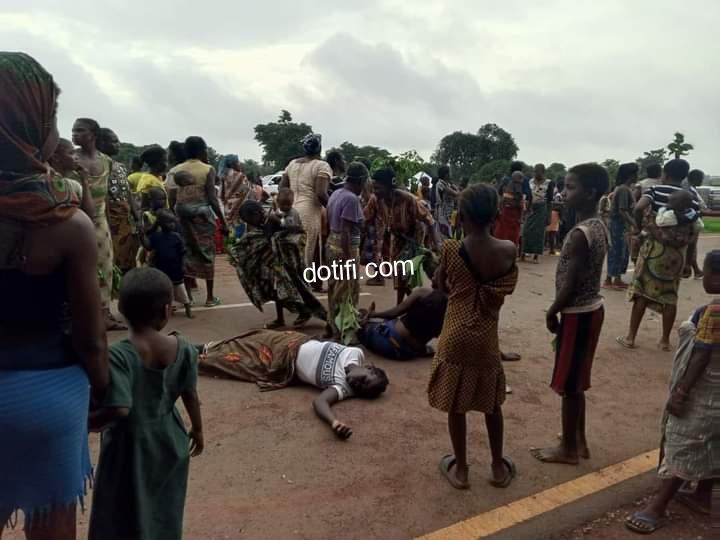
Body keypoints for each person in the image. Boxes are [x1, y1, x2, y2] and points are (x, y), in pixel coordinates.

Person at [0, 51, 108, 540]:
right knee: (53, 527)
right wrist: (106, 391)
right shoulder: (68, 222)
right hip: (46, 393)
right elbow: (90, 338)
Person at [88, 268, 203, 540]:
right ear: (167, 310)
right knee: (164, 508)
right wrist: (198, 430)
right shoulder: (184, 348)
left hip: (128, 446)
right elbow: (190, 394)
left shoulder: (119, 355)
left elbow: (119, 408)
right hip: (170, 441)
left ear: (121, 309)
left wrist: (86, 424)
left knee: (119, 512)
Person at [427, 183, 518, 490]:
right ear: (495, 215)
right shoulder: (508, 250)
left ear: (461, 216)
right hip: (485, 338)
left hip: (454, 334)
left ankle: (463, 470)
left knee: (456, 405)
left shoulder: (451, 249)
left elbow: (440, 285)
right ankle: (497, 467)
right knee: (492, 405)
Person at [625, 251, 719, 535]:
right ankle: (702, 496)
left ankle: (657, 508)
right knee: (714, 442)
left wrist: (681, 391)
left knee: (685, 440)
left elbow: (701, 354)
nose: (703, 277)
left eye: (707, 273)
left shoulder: (714, 311)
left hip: (706, 391)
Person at [531, 163, 609, 466]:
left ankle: (568, 450)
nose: (563, 193)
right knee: (576, 381)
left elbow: (571, 283)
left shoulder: (580, 234)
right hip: (590, 310)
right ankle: (578, 439)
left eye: (570, 187)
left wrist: (553, 311)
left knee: (570, 385)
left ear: (590, 193)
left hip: (578, 313)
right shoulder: (598, 225)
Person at [197, 330, 389, 439]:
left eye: (361, 389)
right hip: (291, 340)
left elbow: (320, 402)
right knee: (244, 340)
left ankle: (190, 355)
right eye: (364, 380)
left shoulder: (344, 388)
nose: (356, 384)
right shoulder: (355, 353)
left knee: (233, 361)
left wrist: (334, 423)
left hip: (281, 363)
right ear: (369, 368)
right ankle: (202, 347)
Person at [619, 159, 696, 351]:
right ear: (684, 176)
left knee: (641, 293)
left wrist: (638, 228)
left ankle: (631, 337)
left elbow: (638, 208)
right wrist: (689, 262)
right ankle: (664, 340)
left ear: (665, 174)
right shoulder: (691, 197)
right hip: (676, 255)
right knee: (670, 296)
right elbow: (694, 231)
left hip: (653, 250)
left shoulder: (655, 190)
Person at [232, 200, 327, 328]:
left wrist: (276, 239)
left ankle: (316, 315)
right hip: (275, 264)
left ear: (256, 213)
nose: (251, 224)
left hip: (287, 262)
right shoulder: (261, 221)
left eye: (250, 220)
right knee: (276, 290)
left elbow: (291, 232)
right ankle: (281, 319)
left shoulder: (272, 219)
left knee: (296, 289)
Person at [72, 117, 126, 330]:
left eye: (80, 131)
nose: (75, 134)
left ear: (93, 135)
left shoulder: (107, 161)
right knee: (81, 268)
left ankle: (104, 313)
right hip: (76, 220)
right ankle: (85, 315)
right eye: (73, 131)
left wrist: (112, 224)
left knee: (105, 266)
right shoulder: (70, 160)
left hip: (100, 221)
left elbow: (108, 197)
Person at [174, 136, 229, 307]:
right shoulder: (207, 169)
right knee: (207, 254)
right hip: (203, 220)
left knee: (187, 254)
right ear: (202, 150)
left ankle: (188, 297)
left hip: (182, 219)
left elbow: (172, 198)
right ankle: (210, 297)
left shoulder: (176, 170)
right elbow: (212, 198)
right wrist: (223, 221)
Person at [371, 168, 440, 305]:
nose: (375, 191)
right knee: (399, 274)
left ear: (389, 187)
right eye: (374, 188)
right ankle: (409, 305)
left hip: (413, 237)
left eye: (378, 188)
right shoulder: (377, 200)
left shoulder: (407, 199)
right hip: (397, 237)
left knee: (405, 273)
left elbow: (429, 220)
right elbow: (365, 217)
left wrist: (436, 245)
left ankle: (408, 305)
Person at [324, 162, 367, 344]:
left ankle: (331, 324)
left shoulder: (336, 194)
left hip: (331, 244)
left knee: (334, 288)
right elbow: (346, 231)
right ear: (361, 181)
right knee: (347, 291)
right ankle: (343, 332)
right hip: (344, 248)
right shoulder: (351, 199)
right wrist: (349, 258)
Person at [281, 133, 332, 268]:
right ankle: (304, 279)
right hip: (309, 212)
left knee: (291, 250)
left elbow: (282, 188)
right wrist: (332, 209)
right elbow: (321, 194)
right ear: (319, 149)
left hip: (290, 210)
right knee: (306, 252)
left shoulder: (292, 164)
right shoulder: (322, 166)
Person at [96, 127, 141, 275]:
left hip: (124, 219)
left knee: (127, 255)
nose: (118, 144)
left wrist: (136, 215)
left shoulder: (120, 167)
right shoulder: (97, 166)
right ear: (101, 143)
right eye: (114, 141)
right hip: (108, 218)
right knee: (111, 255)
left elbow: (128, 192)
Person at [141, 210, 193, 318]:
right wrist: (141, 237)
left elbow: (183, 252)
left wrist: (183, 265)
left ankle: (188, 309)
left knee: (181, 290)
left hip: (175, 270)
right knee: (163, 291)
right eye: (169, 222)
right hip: (161, 270)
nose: (172, 225)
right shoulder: (156, 236)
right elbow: (148, 247)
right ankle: (164, 310)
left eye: (172, 222)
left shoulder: (176, 237)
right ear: (161, 223)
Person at [605, 163, 638, 290]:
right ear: (630, 175)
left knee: (619, 251)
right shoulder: (624, 189)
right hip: (618, 224)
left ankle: (614, 278)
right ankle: (611, 279)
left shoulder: (623, 188)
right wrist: (634, 223)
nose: (637, 176)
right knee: (617, 251)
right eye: (635, 174)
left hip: (618, 224)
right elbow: (622, 210)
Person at [48, 138, 95, 217]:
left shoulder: (74, 185)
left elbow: (89, 214)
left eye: (75, 153)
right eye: (71, 153)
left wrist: (85, 181)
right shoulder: (47, 183)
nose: (76, 157)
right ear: (56, 158)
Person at [521, 163, 553, 263]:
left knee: (539, 233)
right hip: (531, 208)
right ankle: (523, 254)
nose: (536, 174)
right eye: (535, 171)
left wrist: (549, 216)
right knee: (526, 231)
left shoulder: (549, 183)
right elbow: (527, 197)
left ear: (543, 172)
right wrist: (525, 211)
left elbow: (550, 201)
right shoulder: (530, 181)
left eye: (538, 172)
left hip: (542, 208)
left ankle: (536, 256)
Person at [218, 154, 250, 238]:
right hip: (240, 210)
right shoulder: (241, 176)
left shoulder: (223, 177)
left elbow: (220, 195)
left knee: (231, 235)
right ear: (233, 164)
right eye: (238, 162)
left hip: (227, 210)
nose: (239, 164)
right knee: (239, 235)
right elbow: (246, 191)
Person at [684, 168, 706, 279]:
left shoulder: (692, 189)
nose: (702, 180)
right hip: (692, 222)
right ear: (696, 179)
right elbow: (694, 207)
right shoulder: (690, 191)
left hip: (693, 220)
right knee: (691, 247)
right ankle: (693, 269)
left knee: (691, 247)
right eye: (701, 178)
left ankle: (695, 269)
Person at [494, 171, 525, 246]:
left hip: (512, 214)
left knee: (511, 235)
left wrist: (520, 217)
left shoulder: (516, 187)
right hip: (507, 213)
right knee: (504, 233)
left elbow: (520, 204)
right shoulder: (510, 186)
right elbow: (503, 200)